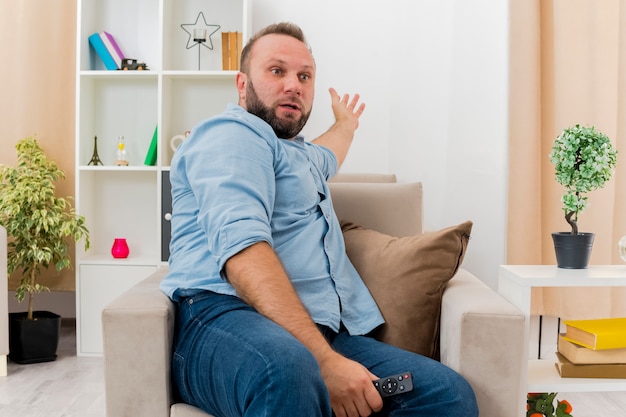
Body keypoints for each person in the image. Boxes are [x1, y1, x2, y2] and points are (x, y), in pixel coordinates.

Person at [160, 22, 478, 417]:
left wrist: (346, 124)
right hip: (225, 320)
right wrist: (323, 363)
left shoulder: (302, 156)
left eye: (304, 76)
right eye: (277, 71)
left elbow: (330, 153)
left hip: (320, 335)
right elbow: (243, 251)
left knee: (445, 393)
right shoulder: (231, 134)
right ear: (242, 84)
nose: (293, 84)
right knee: (287, 370)